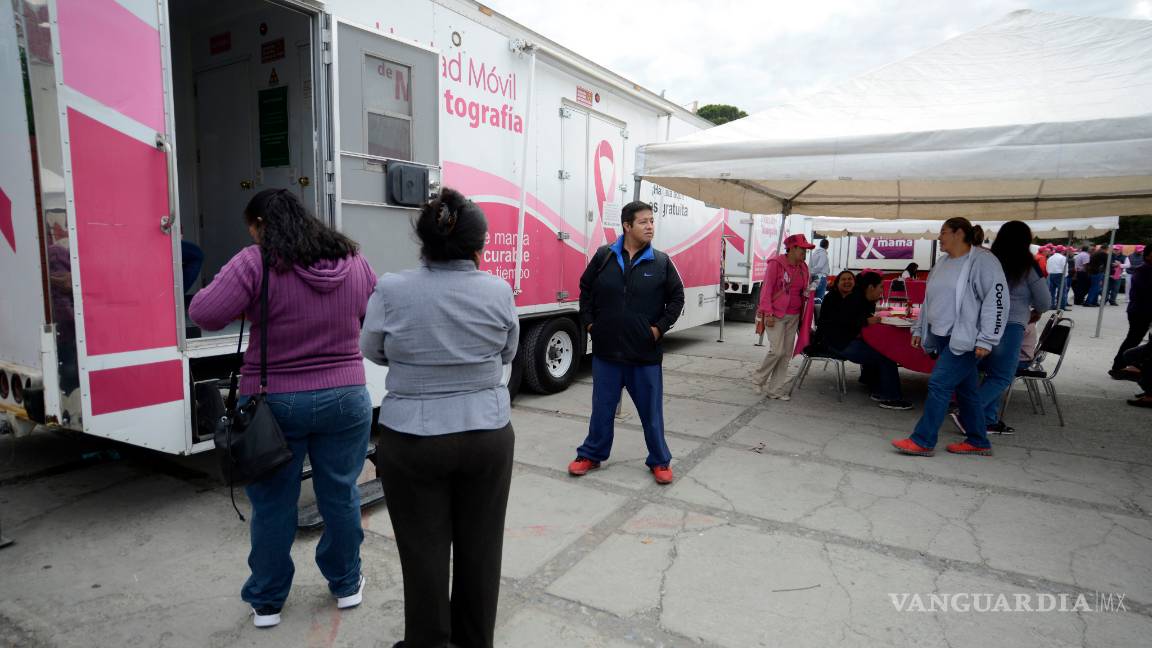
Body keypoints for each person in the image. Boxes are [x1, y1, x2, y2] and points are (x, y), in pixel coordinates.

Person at [188, 189, 377, 629]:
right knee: (341, 495)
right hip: (347, 397)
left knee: (273, 506)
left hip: (276, 404)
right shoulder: (354, 261)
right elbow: (374, 315)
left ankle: (268, 602)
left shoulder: (255, 262)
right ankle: (347, 584)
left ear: (258, 225)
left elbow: (204, 313)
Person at [360, 187, 519, 648]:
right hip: (486, 434)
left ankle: (428, 643)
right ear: (478, 246)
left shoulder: (392, 288)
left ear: (424, 244)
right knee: (482, 549)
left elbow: (372, 349)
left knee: (424, 551)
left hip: (412, 439)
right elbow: (507, 350)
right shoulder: (497, 290)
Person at [568, 201, 685, 485]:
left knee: (651, 414)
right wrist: (591, 323)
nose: (650, 226)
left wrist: (658, 329)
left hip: (643, 356)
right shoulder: (604, 257)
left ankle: (659, 460)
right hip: (607, 354)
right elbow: (585, 290)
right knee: (602, 409)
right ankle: (592, 454)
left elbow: (677, 298)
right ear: (627, 226)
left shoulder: (660, 262)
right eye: (644, 222)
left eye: (652, 221)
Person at [891, 217, 1008, 457]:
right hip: (942, 335)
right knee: (967, 391)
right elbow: (928, 299)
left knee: (939, 384)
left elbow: (997, 303)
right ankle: (978, 440)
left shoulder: (984, 262)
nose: (939, 237)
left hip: (966, 338)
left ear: (958, 233)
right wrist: (918, 328)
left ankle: (923, 440)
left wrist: (987, 339)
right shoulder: (942, 263)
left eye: (943, 232)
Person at [970, 221, 1050, 435]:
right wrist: (1034, 312)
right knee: (1002, 375)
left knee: (985, 371)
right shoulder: (1028, 266)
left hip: (982, 323)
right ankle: (968, 411)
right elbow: (1044, 301)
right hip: (1011, 325)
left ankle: (987, 420)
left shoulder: (988, 260)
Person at [820, 272, 913, 410]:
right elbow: (840, 321)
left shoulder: (864, 300)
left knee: (878, 347)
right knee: (887, 356)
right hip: (838, 343)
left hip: (845, 340)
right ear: (871, 287)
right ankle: (891, 397)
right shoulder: (853, 299)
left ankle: (878, 389)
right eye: (880, 287)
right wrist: (864, 321)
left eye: (850, 279)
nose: (882, 291)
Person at [752, 234, 815, 400]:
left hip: (794, 315)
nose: (804, 253)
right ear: (792, 248)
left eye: (806, 250)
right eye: (802, 249)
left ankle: (775, 390)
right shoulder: (776, 264)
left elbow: (802, 290)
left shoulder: (804, 267)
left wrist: (808, 293)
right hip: (776, 314)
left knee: (786, 353)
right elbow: (766, 291)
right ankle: (758, 379)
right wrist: (768, 313)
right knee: (777, 351)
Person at [1110, 243, 1152, 380]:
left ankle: (1130, 366)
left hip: (1142, 310)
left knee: (1135, 339)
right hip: (1140, 311)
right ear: (1148, 255)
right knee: (1133, 339)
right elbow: (1145, 291)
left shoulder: (1145, 269)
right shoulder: (1144, 270)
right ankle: (1118, 367)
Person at [1045, 245, 1070, 310]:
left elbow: (1047, 267)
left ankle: (1051, 305)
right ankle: (1061, 306)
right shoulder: (1063, 258)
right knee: (1062, 291)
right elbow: (1065, 267)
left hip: (1051, 274)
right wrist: (1065, 275)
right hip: (1060, 274)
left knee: (1051, 291)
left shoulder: (1050, 258)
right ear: (1062, 251)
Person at [810, 238, 831, 303]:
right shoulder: (823, 254)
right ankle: (817, 313)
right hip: (821, 277)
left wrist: (811, 273)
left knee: (813, 298)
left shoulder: (814, 253)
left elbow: (810, 265)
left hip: (814, 277)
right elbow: (819, 266)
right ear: (827, 246)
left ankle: (812, 312)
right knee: (819, 299)